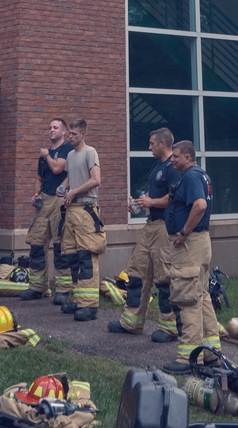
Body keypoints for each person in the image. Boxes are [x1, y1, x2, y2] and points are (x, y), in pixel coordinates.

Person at [108, 126, 177, 341]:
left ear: (162, 144)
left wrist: (152, 202)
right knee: (136, 271)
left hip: (164, 227)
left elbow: (174, 198)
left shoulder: (173, 166)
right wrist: (141, 203)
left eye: (151, 144)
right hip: (150, 224)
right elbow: (155, 195)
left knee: (164, 277)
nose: (149, 147)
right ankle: (132, 322)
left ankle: (170, 328)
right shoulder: (157, 166)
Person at [163, 140, 219, 372]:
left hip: (190, 245)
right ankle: (210, 353)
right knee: (202, 295)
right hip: (200, 243)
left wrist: (184, 232)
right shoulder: (200, 175)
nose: (172, 159)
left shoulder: (192, 176)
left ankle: (188, 358)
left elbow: (199, 205)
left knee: (188, 299)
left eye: (175, 156)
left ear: (187, 157)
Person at [22, 117, 72, 302]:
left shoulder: (67, 149)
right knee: (37, 243)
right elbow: (39, 178)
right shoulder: (45, 154)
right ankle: (37, 286)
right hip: (44, 200)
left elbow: (58, 168)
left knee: (60, 245)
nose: (51, 130)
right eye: (50, 127)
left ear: (63, 131)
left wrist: (46, 155)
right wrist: (35, 195)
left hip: (59, 202)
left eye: (55, 127)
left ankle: (63, 289)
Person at [59, 118, 103, 322]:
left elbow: (96, 180)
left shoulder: (90, 152)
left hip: (86, 209)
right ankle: (78, 298)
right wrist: (63, 187)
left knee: (86, 256)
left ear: (83, 134)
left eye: (74, 134)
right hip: (71, 209)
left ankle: (89, 305)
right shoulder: (69, 154)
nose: (70, 136)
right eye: (69, 133)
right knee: (71, 255)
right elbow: (68, 178)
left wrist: (74, 191)